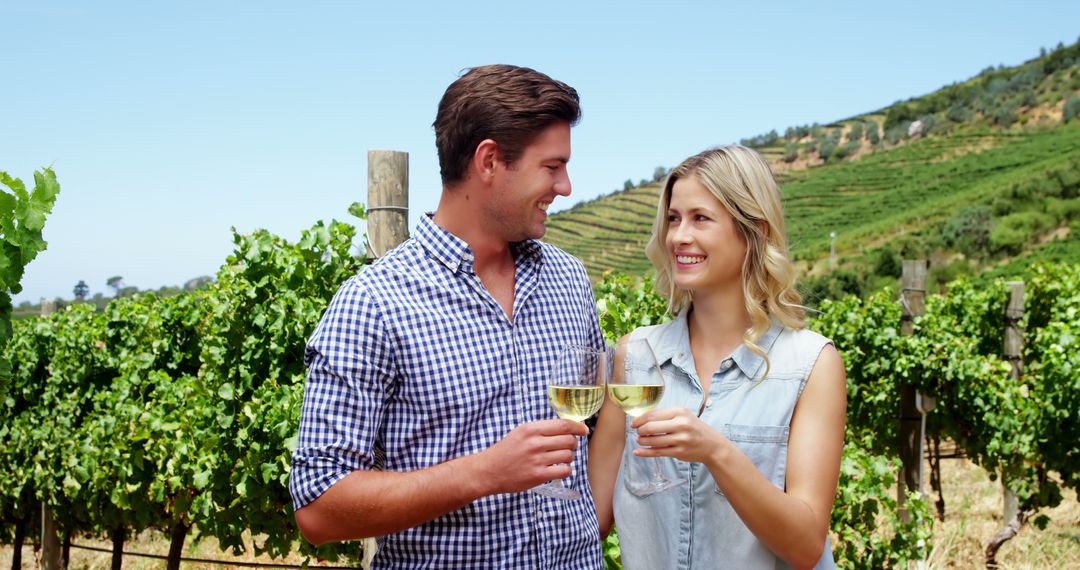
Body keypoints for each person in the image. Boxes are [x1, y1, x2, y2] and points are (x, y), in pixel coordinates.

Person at [289, 64, 605, 569]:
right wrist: (485, 472)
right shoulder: (373, 303)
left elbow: (598, 426)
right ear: (489, 161)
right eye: (552, 166)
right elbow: (318, 508)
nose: (565, 186)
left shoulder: (568, 280)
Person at [589, 146, 847, 569]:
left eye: (700, 218)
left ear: (755, 232)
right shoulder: (636, 356)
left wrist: (717, 452)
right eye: (673, 219)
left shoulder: (811, 364)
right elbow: (591, 519)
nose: (678, 237)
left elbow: (805, 546)